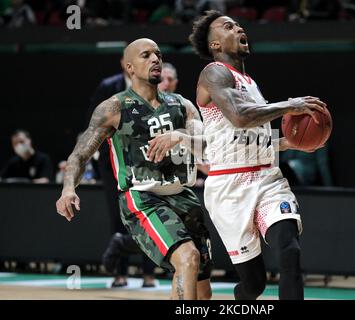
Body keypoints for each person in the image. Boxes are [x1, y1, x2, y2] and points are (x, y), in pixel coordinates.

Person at [148, 10, 327, 300]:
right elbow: (241, 117)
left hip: (268, 180)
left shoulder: (250, 83)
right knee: (253, 284)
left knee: (289, 250)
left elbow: (248, 136)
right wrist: (289, 104)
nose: (239, 28)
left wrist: (290, 143)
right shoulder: (214, 73)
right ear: (215, 45)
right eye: (229, 26)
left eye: (238, 25)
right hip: (229, 188)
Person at [56, 38, 213, 300]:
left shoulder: (182, 105)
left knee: (201, 290)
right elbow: (80, 154)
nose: (155, 59)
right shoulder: (114, 107)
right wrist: (68, 188)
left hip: (184, 196)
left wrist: (180, 137)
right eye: (146, 55)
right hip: (144, 197)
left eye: (158, 55)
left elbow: (207, 147)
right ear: (129, 67)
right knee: (188, 258)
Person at [89, 52, 158, 288]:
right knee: (119, 215)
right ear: (125, 64)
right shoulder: (108, 87)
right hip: (113, 164)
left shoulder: (154, 86)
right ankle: (121, 273)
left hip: (147, 162)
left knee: (152, 214)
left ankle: (149, 273)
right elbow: (94, 124)